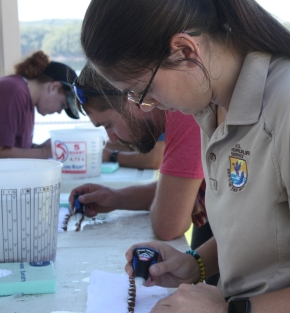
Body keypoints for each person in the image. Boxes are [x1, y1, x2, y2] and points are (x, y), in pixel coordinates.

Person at [81, 1, 290, 313]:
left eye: (141, 91)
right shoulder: (212, 107)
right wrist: (194, 263)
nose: (145, 105)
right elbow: (262, 231)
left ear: (185, 51)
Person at [69, 64, 211, 244]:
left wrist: (174, 205)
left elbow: (167, 225)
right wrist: (116, 198)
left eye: (108, 125)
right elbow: (170, 196)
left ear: (132, 99)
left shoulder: (183, 113)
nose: (111, 139)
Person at [0, 50, 80, 160]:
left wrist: (38, 148)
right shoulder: (14, 92)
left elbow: (10, 148)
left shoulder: (26, 100)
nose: (59, 111)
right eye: (63, 105)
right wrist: (44, 153)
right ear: (54, 87)